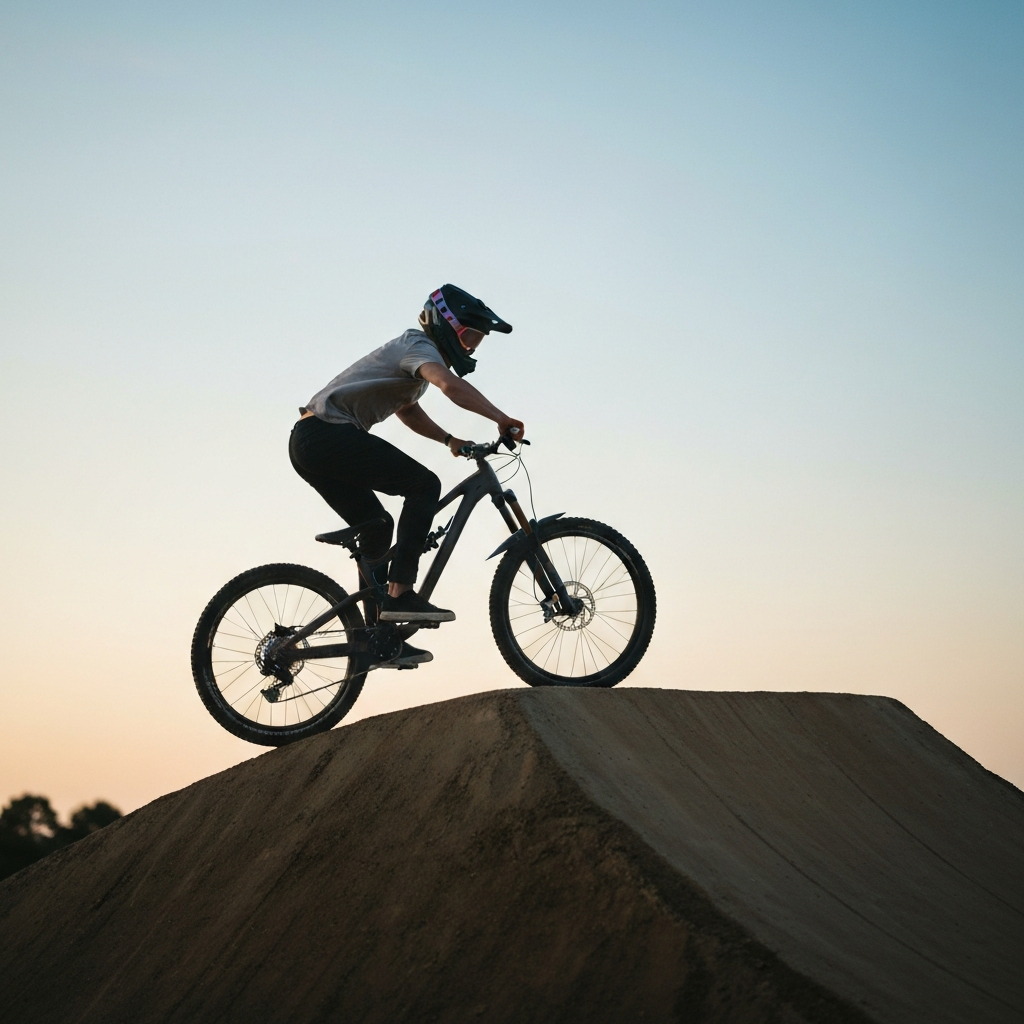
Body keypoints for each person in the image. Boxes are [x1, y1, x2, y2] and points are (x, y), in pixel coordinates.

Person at [289, 284, 525, 667]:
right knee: (424, 485)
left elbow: (407, 409)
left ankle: (377, 639)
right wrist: (501, 419)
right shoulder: (419, 346)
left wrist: (450, 440)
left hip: (310, 442)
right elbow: (450, 386)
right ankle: (400, 595)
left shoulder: (414, 360)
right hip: (326, 434)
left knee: (378, 526)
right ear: (444, 324)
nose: (471, 348)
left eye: (478, 341)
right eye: (469, 337)